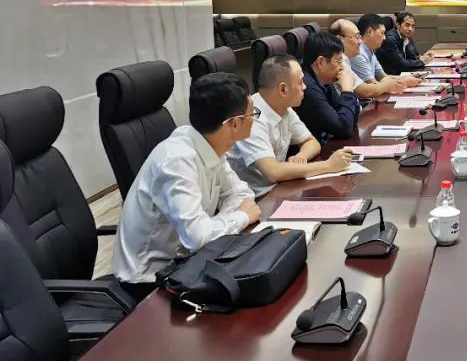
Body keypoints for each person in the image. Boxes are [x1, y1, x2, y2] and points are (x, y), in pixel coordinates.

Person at [113, 73, 260, 290]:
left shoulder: (209, 142)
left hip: (188, 261)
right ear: (235, 124)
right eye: (252, 114)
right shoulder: (176, 161)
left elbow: (241, 194)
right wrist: (240, 217)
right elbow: (197, 237)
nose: (254, 119)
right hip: (149, 280)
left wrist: (222, 222)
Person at [228, 54, 354, 197]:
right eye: (300, 82)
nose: (305, 87)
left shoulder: (284, 108)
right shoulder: (252, 118)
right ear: (283, 89)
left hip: (279, 189)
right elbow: (273, 172)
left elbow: (312, 142)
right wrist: (329, 165)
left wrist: (301, 156)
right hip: (257, 199)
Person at [298, 31, 361, 144]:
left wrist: (348, 92)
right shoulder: (307, 87)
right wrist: (347, 90)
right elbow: (344, 129)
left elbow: (350, 120)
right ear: (321, 62)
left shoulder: (323, 80)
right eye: (339, 61)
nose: (342, 67)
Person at [329, 18, 413, 100]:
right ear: (339, 39)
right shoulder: (340, 61)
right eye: (356, 36)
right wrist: (393, 84)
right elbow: (364, 91)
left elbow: (382, 77)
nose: (360, 41)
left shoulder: (347, 59)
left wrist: (402, 79)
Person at [353, 13, 420, 89]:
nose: (384, 37)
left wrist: (407, 77)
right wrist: (403, 82)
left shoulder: (369, 50)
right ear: (370, 32)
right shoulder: (358, 53)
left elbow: (383, 77)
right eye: (382, 33)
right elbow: (373, 86)